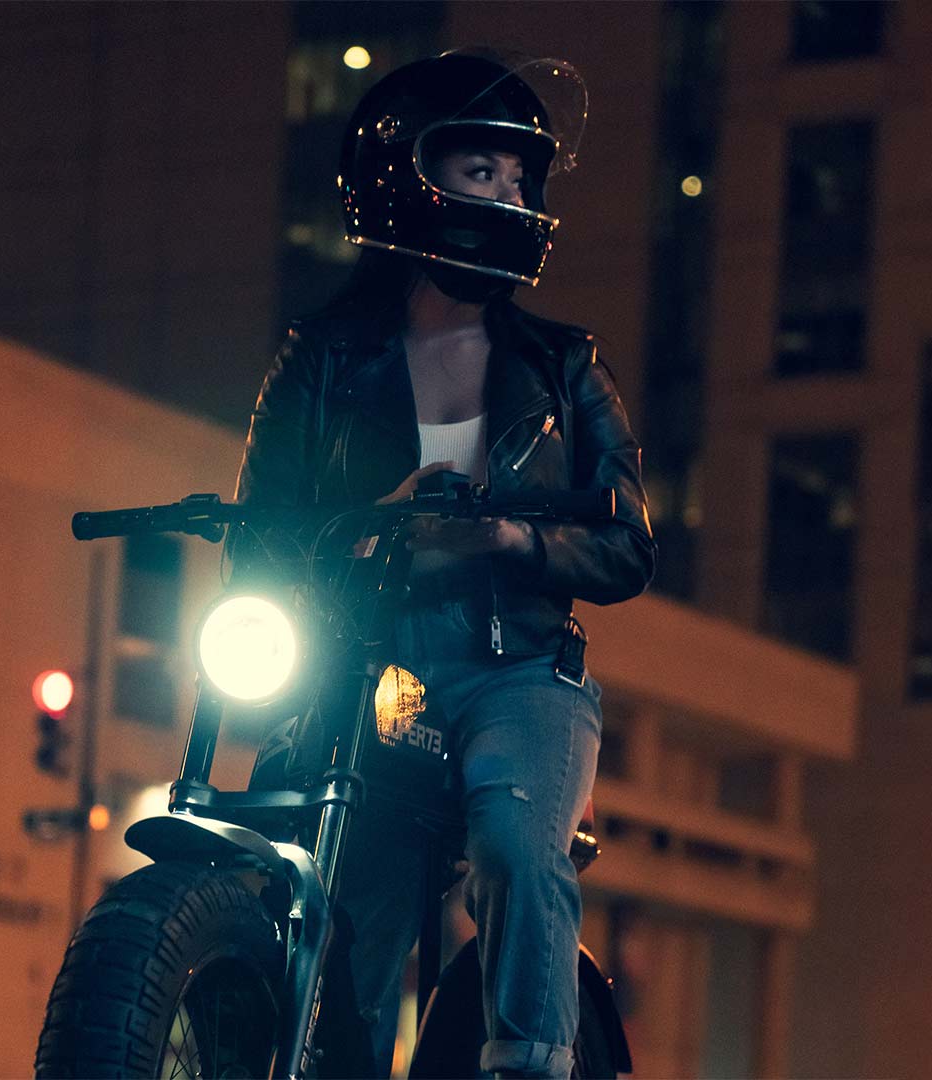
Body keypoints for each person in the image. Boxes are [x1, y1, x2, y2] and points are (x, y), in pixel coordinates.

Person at [233, 50, 655, 1078]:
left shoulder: (565, 365)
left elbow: (628, 542)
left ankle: (531, 1063)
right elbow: (258, 527)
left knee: (515, 849)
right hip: (359, 658)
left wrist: (514, 539)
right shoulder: (321, 356)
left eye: (520, 179)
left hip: (516, 669)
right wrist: (365, 526)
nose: (510, 196)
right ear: (403, 176)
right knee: (345, 904)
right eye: (482, 173)